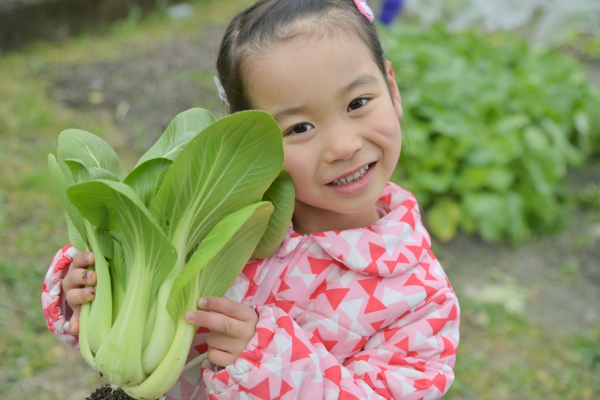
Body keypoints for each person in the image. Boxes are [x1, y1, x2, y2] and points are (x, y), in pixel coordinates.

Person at [41, 0, 460, 399]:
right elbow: (140, 289)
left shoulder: (420, 299)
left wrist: (271, 364)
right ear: (253, 140)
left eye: (358, 103)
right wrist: (85, 288)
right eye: (299, 128)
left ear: (392, 89)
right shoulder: (213, 214)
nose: (343, 146)